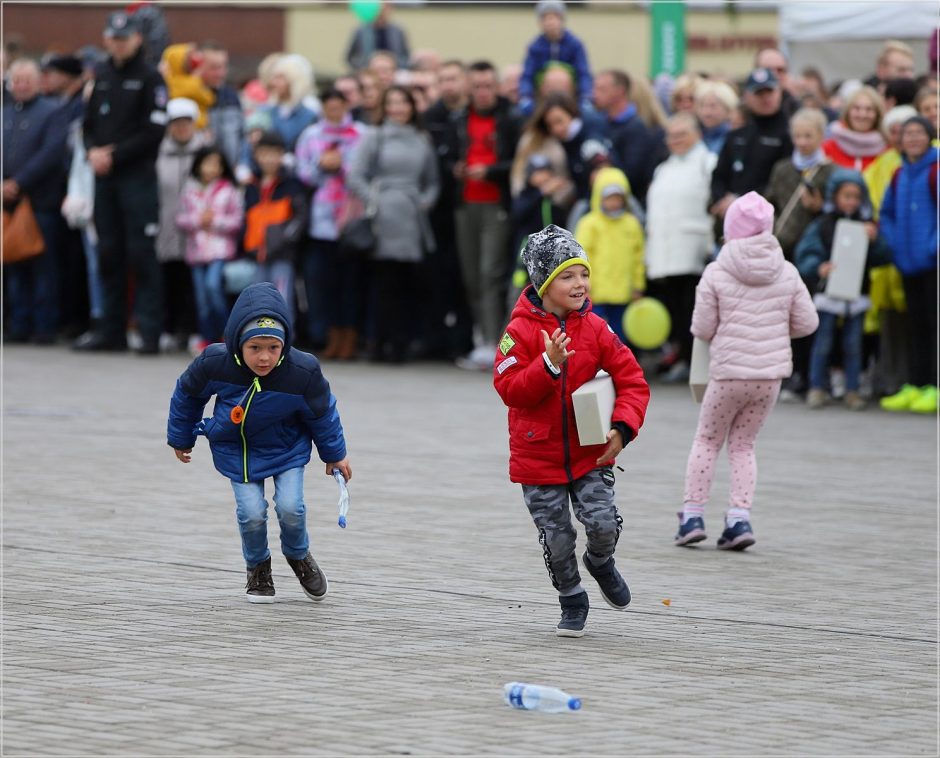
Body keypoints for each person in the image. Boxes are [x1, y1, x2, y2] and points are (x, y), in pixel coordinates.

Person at [493, 224, 650, 637]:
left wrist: (622, 427)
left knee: (601, 524)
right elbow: (508, 389)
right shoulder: (519, 333)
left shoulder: (597, 328)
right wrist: (547, 365)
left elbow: (633, 381)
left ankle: (600, 562)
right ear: (543, 283)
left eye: (583, 273)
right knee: (557, 538)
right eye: (567, 275)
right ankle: (571, 597)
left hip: (590, 453)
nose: (580, 283)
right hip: (537, 457)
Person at [167, 281, 351, 604]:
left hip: (287, 449)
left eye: (273, 348)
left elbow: (322, 413)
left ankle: (298, 554)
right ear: (239, 343)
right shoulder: (214, 362)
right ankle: (258, 567)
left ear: (284, 346)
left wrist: (335, 454)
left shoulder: (302, 371)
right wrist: (182, 437)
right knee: (251, 513)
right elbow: (188, 393)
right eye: (255, 348)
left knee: (291, 508)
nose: (264, 358)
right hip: (238, 451)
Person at [675, 193, 818, 551]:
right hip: (769, 378)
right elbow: (807, 322)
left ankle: (692, 515)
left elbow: (703, 328)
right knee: (744, 446)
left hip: (727, 374)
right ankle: (739, 520)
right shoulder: (787, 271)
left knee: (708, 440)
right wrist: (774, 329)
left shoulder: (716, 271)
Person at [75, 10, 167, 354]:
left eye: (124, 39)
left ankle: (149, 331)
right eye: (113, 39)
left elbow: (154, 130)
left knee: (141, 255)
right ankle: (110, 331)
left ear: (137, 39)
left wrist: (113, 153)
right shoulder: (100, 75)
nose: (118, 44)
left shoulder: (151, 78)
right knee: (108, 253)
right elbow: (86, 125)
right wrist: (92, 151)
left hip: (137, 180)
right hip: (105, 180)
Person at [347, 85, 440, 363]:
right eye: (393, 102)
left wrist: (425, 201)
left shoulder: (422, 139)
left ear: (413, 106)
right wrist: (374, 199)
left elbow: (433, 181)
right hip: (383, 217)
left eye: (404, 102)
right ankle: (379, 343)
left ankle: (402, 343)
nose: (398, 108)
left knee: (407, 283)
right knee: (383, 283)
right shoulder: (374, 136)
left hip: (412, 219)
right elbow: (356, 176)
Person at [795, 169, 891, 410]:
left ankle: (852, 390)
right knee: (823, 342)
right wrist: (819, 267)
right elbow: (804, 254)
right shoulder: (822, 225)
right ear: (834, 196)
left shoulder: (866, 227)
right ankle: (817, 387)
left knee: (853, 344)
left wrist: (875, 241)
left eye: (856, 197)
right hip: (829, 293)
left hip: (857, 294)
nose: (851, 201)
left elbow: (884, 257)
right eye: (846, 196)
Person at [447, 60, 521, 370]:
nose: (482, 92)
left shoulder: (511, 119)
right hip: (465, 204)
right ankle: (483, 338)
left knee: (491, 272)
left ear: (497, 87)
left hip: (496, 205)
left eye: (488, 85)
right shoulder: (460, 118)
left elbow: (517, 161)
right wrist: (457, 168)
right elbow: (448, 155)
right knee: (472, 276)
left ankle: (494, 342)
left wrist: (489, 171)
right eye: (476, 86)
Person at [763, 107, 835, 400]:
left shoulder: (829, 171)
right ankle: (788, 375)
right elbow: (770, 204)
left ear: (820, 136)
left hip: (813, 253)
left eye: (809, 136)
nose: (803, 141)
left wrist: (820, 206)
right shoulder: (782, 169)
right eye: (798, 136)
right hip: (783, 252)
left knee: (808, 316)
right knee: (782, 318)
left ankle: (810, 375)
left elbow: (835, 210)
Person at [294, 88, 367, 359]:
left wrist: (343, 165)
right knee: (323, 283)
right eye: (329, 108)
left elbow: (367, 170)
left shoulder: (360, 134)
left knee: (351, 284)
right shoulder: (311, 135)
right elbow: (303, 173)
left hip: (351, 218)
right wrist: (321, 165)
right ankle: (328, 336)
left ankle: (350, 337)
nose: (334, 113)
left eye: (339, 107)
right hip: (321, 220)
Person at [645, 113, 717, 380]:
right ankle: (683, 360)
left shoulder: (707, 163)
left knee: (693, 310)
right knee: (675, 309)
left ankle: (697, 364)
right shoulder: (664, 168)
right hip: (667, 251)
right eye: (671, 135)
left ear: (696, 134)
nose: (675, 140)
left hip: (694, 249)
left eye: (682, 134)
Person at [878, 116, 939, 414]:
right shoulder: (899, 174)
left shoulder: (935, 170)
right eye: (907, 134)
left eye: (918, 133)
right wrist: (893, 243)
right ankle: (916, 384)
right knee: (915, 326)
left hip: (932, 263)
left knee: (934, 325)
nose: (913, 138)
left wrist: (933, 245)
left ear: (929, 136)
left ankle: (934, 386)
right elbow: (886, 213)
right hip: (907, 262)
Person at [2, 58, 64, 344]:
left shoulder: (52, 112)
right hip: (9, 205)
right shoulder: (5, 113)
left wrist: (19, 182)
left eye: (27, 79)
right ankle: (18, 324)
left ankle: (44, 326)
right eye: (17, 80)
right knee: (13, 266)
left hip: (40, 202)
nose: (21, 85)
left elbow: (51, 153)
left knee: (42, 268)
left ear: (39, 82)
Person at [176, 145, 244, 351]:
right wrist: (198, 219)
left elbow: (237, 221)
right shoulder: (189, 190)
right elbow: (179, 219)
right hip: (196, 253)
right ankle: (207, 337)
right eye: (208, 163)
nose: (212, 168)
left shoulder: (228, 190)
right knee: (202, 298)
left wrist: (214, 221)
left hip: (220, 251)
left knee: (214, 287)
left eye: (217, 164)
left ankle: (227, 332)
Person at [709, 68, 793, 233]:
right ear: (747, 97)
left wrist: (741, 202)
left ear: (779, 92)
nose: (765, 98)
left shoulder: (788, 135)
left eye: (769, 91)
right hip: (732, 222)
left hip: (768, 224)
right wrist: (722, 200)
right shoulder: (737, 135)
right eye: (759, 93)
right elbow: (719, 175)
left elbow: (780, 183)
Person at [156, 97, 209, 351]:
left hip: (197, 230)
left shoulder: (205, 152)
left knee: (192, 284)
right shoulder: (159, 152)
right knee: (167, 280)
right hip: (165, 227)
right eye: (176, 123)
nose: (181, 128)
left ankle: (191, 330)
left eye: (186, 122)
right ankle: (167, 329)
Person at [573, 167, 644, 344]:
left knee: (620, 336)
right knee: (592, 333)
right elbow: (579, 259)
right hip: (595, 293)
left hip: (623, 294)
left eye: (618, 198)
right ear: (599, 197)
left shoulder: (631, 224)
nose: (613, 203)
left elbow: (638, 258)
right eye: (609, 198)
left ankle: (619, 367)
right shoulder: (589, 224)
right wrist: (582, 286)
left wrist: (637, 286)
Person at [243, 131, 308, 317]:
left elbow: (301, 217)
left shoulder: (292, 184)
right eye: (264, 153)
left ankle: (285, 342)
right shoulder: (251, 186)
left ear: (282, 155)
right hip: (257, 254)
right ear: (256, 155)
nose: (269, 159)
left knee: (282, 300)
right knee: (257, 302)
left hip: (282, 254)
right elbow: (246, 220)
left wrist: (284, 239)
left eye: (274, 153)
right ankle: (263, 343)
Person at [592, 69, 666, 208]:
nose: (594, 94)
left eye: (601, 89)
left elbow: (634, 176)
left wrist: (605, 172)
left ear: (619, 91)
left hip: (625, 205)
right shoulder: (600, 123)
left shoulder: (636, 127)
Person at [519, 0, 593, 118]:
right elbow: (527, 74)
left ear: (562, 20)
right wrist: (525, 96)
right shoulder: (535, 47)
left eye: (554, 17)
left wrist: (586, 96)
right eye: (546, 18)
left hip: (570, 98)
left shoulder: (575, 45)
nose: (550, 22)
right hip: (543, 99)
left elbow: (583, 73)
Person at [822, 85, 887, 172]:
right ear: (847, 112)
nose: (862, 115)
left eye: (869, 109)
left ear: (877, 114)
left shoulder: (887, 150)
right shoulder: (828, 149)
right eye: (856, 108)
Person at [345, 1, 410, 72]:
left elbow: (405, 56)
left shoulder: (397, 30)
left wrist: (396, 67)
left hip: (394, 73)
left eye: (386, 8)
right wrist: (364, 68)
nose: (382, 12)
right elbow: (350, 57)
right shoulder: (361, 31)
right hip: (369, 73)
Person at [694, 80, 738, 155]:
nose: (706, 112)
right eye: (702, 105)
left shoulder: (734, 138)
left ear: (728, 108)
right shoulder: (696, 135)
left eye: (713, 106)